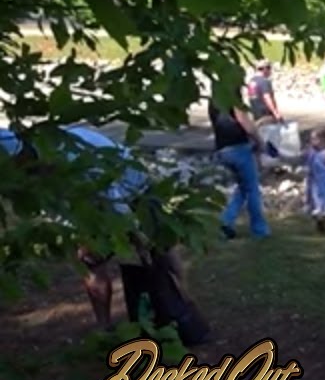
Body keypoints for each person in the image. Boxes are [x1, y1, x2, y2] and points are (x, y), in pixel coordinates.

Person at [1, 125, 186, 332]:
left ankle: (181, 306)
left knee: (158, 247)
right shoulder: (32, 160)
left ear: (21, 153)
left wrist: (135, 234)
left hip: (133, 187)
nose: (13, 170)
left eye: (12, 163)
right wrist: (80, 235)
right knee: (91, 261)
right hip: (90, 200)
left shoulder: (70, 155)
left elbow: (114, 200)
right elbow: (57, 203)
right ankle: (104, 327)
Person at [209, 101, 270, 240]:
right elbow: (245, 124)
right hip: (239, 148)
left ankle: (226, 222)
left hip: (222, 150)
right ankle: (259, 229)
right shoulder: (232, 97)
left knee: (243, 188)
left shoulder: (214, 100)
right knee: (252, 189)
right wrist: (260, 143)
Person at [245, 59, 282, 124]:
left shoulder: (251, 81)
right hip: (266, 115)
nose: (270, 71)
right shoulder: (264, 81)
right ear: (265, 69)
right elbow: (267, 98)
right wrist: (275, 112)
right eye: (269, 68)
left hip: (256, 116)